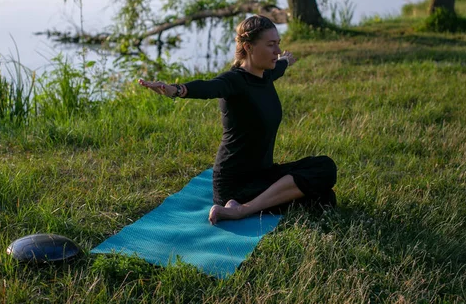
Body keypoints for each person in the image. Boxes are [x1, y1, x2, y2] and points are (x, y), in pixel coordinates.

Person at [139, 15, 337, 224]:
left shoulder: (266, 74)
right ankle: (240, 210)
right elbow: (208, 87)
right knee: (321, 180)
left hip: (262, 175)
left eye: (278, 44)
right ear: (248, 47)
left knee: (325, 187)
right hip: (234, 184)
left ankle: (246, 207)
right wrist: (175, 90)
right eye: (271, 45)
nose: (277, 51)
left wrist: (286, 60)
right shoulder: (234, 81)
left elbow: (280, 65)